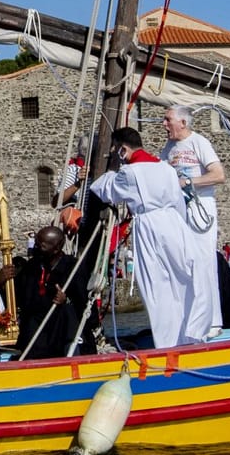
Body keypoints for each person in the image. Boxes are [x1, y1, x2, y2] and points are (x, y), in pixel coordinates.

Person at [62, 125, 217, 347]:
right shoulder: (165, 168)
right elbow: (177, 200)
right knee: (184, 276)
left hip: (149, 226)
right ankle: (192, 332)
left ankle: (168, 341)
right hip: (175, 224)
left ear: (123, 150)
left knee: (156, 285)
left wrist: (104, 173)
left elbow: (105, 189)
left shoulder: (128, 173)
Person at [0, 225, 93, 359]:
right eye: (35, 243)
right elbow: (18, 300)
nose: (35, 248)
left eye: (41, 246)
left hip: (61, 335)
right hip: (34, 338)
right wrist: (1, 283)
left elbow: (85, 305)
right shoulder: (31, 267)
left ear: (57, 248)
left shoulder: (73, 268)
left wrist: (66, 300)